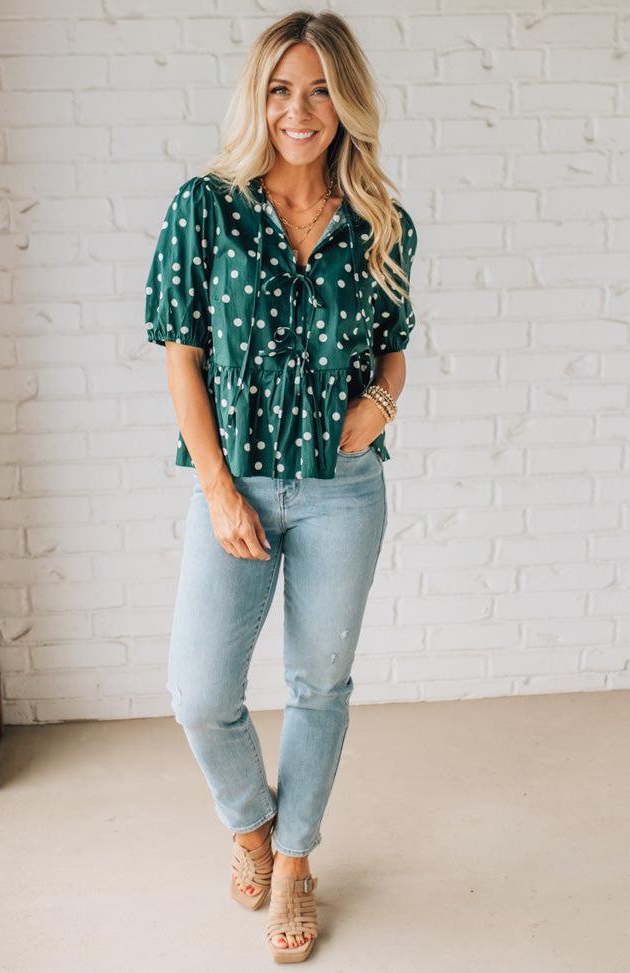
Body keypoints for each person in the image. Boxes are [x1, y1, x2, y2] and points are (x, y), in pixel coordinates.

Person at [143, 9, 417, 964]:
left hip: (345, 488)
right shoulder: (205, 207)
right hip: (239, 482)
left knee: (318, 683)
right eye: (279, 89)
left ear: (346, 102)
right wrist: (219, 490)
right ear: (257, 99)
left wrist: (377, 406)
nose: (298, 110)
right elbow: (181, 355)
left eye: (319, 90)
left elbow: (393, 346)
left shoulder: (382, 221)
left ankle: (295, 858)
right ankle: (252, 824)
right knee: (198, 691)